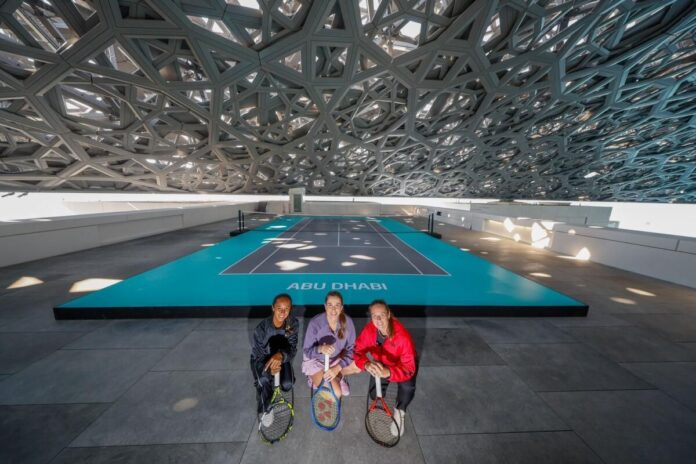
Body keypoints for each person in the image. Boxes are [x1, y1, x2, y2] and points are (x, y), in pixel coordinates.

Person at [350, 299, 417, 437]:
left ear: (389, 314)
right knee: (374, 395)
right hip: (381, 363)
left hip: (403, 365)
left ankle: (400, 411)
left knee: (408, 388)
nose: (378, 320)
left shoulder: (402, 337)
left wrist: (389, 372)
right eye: (374, 316)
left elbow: (409, 369)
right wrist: (366, 364)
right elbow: (356, 350)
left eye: (382, 315)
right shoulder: (369, 330)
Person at [250, 293, 299, 427]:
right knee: (264, 380)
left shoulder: (293, 323)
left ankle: (271, 384)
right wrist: (269, 369)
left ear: (290, 309)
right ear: (273, 308)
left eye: (286, 308)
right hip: (261, 358)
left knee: (287, 384)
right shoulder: (261, 329)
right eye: (279, 308)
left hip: (281, 357)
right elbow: (258, 355)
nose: (283, 313)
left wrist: (281, 356)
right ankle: (265, 407)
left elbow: (292, 349)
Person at [302, 290, 356, 398]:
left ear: (341, 307)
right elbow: (307, 351)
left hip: (336, 359)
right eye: (330, 305)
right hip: (316, 361)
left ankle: (337, 377)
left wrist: (338, 367)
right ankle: (313, 378)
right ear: (325, 306)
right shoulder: (315, 323)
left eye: (337, 305)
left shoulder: (348, 322)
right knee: (336, 393)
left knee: (359, 365)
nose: (333, 309)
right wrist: (320, 348)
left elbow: (352, 349)